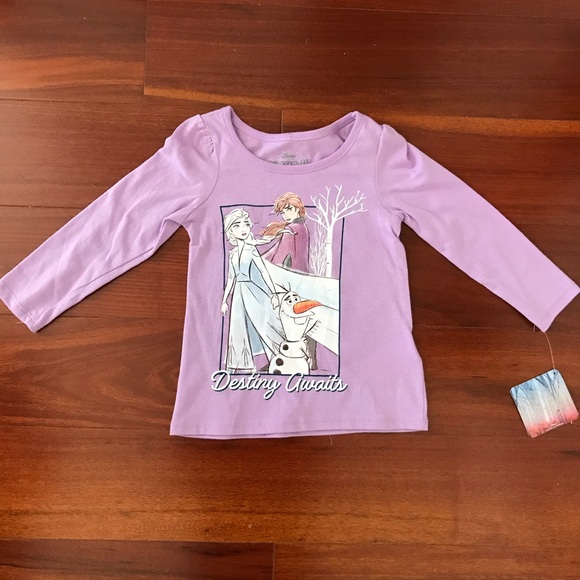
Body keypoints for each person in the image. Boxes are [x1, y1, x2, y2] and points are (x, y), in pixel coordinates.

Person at [221, 208, 281, 373]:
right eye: (237, 225)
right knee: (238, 327)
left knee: (263, 323)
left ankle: (280, 358)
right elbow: (231, 278)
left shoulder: (251, 250)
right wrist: (224, 301)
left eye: (246, 224)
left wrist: (274, 293)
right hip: (238, 294)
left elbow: (263, 271)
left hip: (253, 291)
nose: (243, 228)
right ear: (230, 230)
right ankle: (240, 364)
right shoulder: (233, 254)